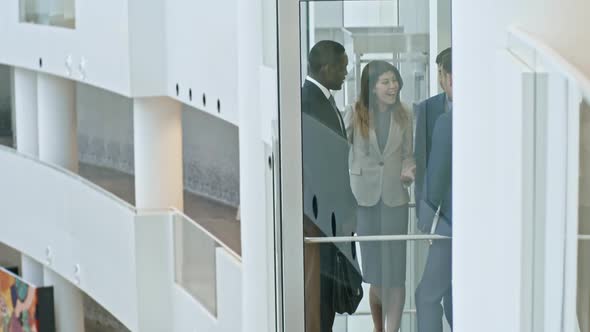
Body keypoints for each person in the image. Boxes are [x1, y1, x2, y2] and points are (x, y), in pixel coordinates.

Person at [343, 60, 415, 332]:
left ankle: (392, 330)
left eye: (394, 80)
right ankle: (379, 328)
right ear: (371, 87)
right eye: (385, 82)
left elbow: (409, 155)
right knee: (375, 274)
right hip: (365, 201)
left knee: (396, 274)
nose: (392, 86)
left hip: (395, 200)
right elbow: (339, 150)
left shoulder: (406, 114)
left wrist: (409, 171)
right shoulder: (354, 113)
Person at [301, 40, 350, 332]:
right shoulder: (308, 103)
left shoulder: (322, 100)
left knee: (325, 295)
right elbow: (316, 166)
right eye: (342, 67)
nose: (346, 72)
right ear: (326, 68)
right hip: (318, 219)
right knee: (316, 295)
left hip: (329, 217)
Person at [415, 50, 453, 332]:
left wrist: (427, 223)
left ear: (448, 77)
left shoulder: (448, 122)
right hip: (478, 226)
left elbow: (436, 180)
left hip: (448, 227)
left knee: (426, 296)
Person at [414, 48, 452, 217]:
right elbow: (421, 160)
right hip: (437, 207)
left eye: (441, 73)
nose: (440, 79)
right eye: (437, 73)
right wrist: (421, 207)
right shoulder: (427, 108)